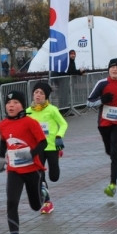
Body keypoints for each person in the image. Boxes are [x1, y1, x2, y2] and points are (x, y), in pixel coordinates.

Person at [0, 90, 47, 234]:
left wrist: (31, 154)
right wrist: (0, 158)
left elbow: (43, 142)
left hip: (32, 169)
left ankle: (42, 192)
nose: (11, 106)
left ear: (22, 105)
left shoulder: (30, 122)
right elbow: (4, 141)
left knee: (35, 206)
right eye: (9, 103)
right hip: (14, 170)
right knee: (11, 202)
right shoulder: (3, 124)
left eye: (16, 103)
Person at [87, 58, 117, 198]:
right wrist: (101, 101)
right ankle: (114, 155)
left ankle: (113, 184)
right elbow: (88, 102)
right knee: (110, 150)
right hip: (104, 124)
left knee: (115, 153)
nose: (115, 70)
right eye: (112, 67)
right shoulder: (102, 84)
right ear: (109, 70)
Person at [26, 80, 68, 214]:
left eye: (41, 93)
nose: (38, 95)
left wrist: (59, 136)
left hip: (52, 147)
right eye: (36, 92)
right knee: (39, 176)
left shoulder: (52, 110)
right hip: (38, 148)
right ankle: (47, 202)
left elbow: (63, 124)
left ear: (46, 96)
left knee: (54, 176)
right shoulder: (28, 112)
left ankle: (57, 158)